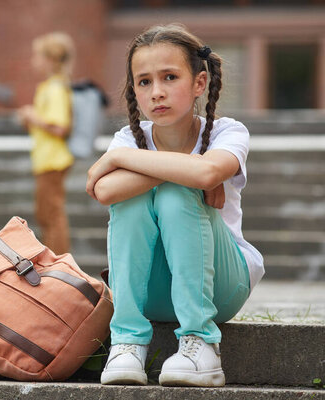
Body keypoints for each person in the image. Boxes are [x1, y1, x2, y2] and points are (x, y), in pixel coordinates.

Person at [86, 24, 264, 387]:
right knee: (137, 198)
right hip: (152, 291)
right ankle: (127, 342)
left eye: (170, 77)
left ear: (199, 83)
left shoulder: (226, 132)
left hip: (221, 286)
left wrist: (123, 160)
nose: (157, 92)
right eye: (144, 82)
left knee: (175, 193)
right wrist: (189, 170)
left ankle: (200, 342)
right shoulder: (128, 138)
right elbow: (105, 192)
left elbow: (210, 170)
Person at [18, 32, 75, 256]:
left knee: (52, 215)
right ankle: (54, 262)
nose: (34, 60)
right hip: (46, 159)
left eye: (38, 56)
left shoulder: (55, 89)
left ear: (50, 59)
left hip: (53, 160)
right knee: (46, 214)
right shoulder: (50, 87)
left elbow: (60, 127)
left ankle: (59, 263)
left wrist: (33, 117)